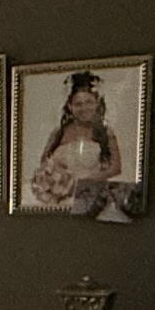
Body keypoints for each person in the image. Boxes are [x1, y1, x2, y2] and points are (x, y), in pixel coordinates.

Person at [29, 72, 122, 208]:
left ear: (97, 103)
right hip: (59, 198)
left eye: (89, 102)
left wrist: (83, 182)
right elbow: (44, 161)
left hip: (89, 197)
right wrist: (55, 181)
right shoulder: (58, 133)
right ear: (70, 106)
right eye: (78, 104)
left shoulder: (106, 133)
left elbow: (115, 168)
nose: (84, 108)